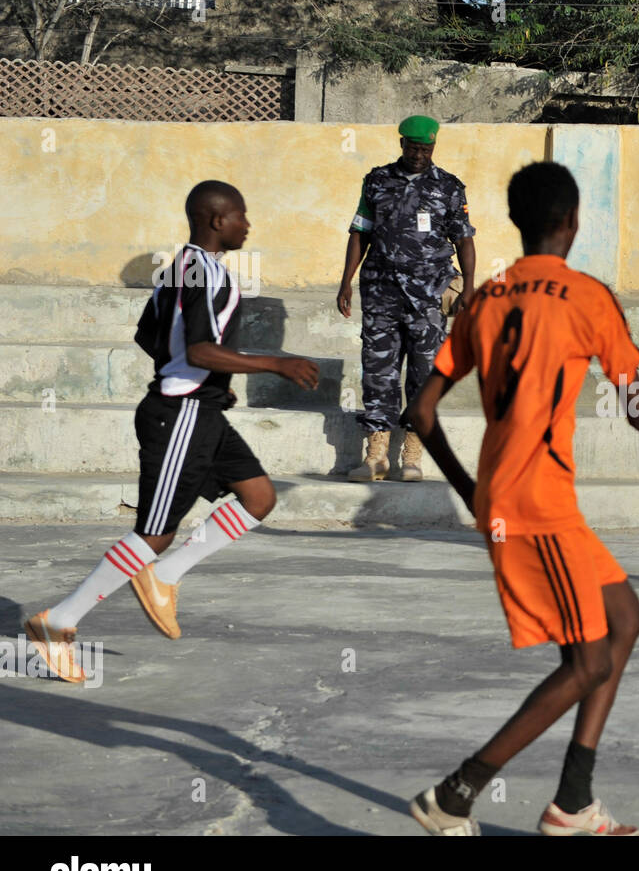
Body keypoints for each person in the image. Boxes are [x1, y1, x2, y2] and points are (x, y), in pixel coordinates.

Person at [404, 162, 639, 835]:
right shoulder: (587, 296)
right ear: (571, 220)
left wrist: (471, 491)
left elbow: (421, 412)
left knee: (624, 621)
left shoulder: (488, 297)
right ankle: (457, 792)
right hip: (537, 502)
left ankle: (571, 801)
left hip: (519, 496)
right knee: (589, 659)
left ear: (518, 221)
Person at [22, 181, 320, 683]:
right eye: (242, 216)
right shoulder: (200, 271)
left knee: (259, 497)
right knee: (154, 535)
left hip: (200, 409)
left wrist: (211, 383)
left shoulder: (178, 268)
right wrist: (275, 362)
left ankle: (165, 577)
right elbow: (200, 349)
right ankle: (58, 623)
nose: (248, 225)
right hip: (178, 415)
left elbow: (149, 336)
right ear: (217, 220)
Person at [337, 115, 477, 482]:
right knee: (378, 371)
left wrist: (471, 287)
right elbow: (359, 232)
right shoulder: (377, 180)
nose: (419, 154)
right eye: (413, 148)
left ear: (433, 147)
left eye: (426, 149)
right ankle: (376, 456)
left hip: (428, 296)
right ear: (401, 144)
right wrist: (345, 282)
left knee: (424, 373)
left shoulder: (449, 187)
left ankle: (412, 457)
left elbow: (464, 239)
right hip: (381, 291)